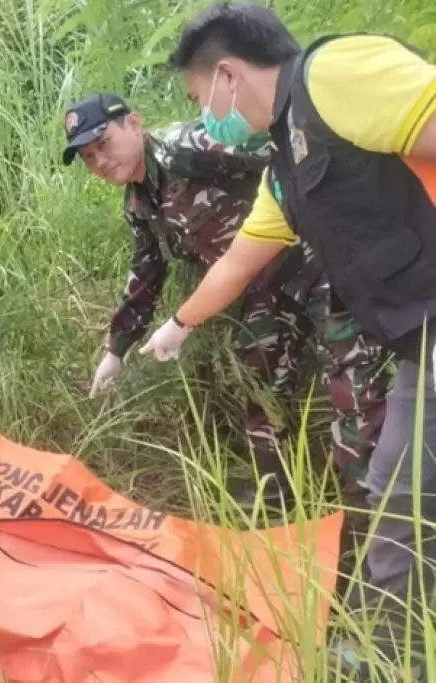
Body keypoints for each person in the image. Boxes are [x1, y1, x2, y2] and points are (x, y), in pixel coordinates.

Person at [143, 2, 436, 676]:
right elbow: (240, 258)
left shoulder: (334, 74)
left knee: (403, 485)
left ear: (226, 75)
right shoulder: (286, 164)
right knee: (399, 489)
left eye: (198, 97)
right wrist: (179, 324)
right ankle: (396, 656)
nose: (206, 113)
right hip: (418, 346)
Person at [61, 92, 389, 506]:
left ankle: (375, 507)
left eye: (102, 144)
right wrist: (117, 349)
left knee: (351, 380)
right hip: (264, 286)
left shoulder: (188, 148)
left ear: (133, 124)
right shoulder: (139, 201)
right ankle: (276, 492)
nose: (99, 162)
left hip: (318, 260)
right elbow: (146, 274)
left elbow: (286, 153)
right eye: (88, 157)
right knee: (256, 375)